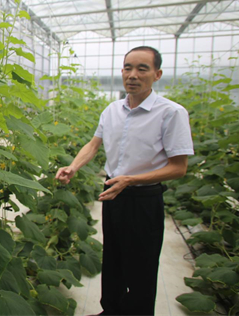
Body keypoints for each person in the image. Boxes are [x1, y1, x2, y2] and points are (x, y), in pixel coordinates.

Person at [55, 46, 194, 316]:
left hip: (144, 198)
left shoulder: (171, 113)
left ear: (157, 74)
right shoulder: (112, 110)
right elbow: (94, 145)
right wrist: (73, 167)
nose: (133, 75)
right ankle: (111, 311)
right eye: (128, 68)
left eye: (142, 69)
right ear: (121, 71)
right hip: (113, 192)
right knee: (113, 258)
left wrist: (130, 180)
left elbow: (179, 168)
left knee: (141, 266)